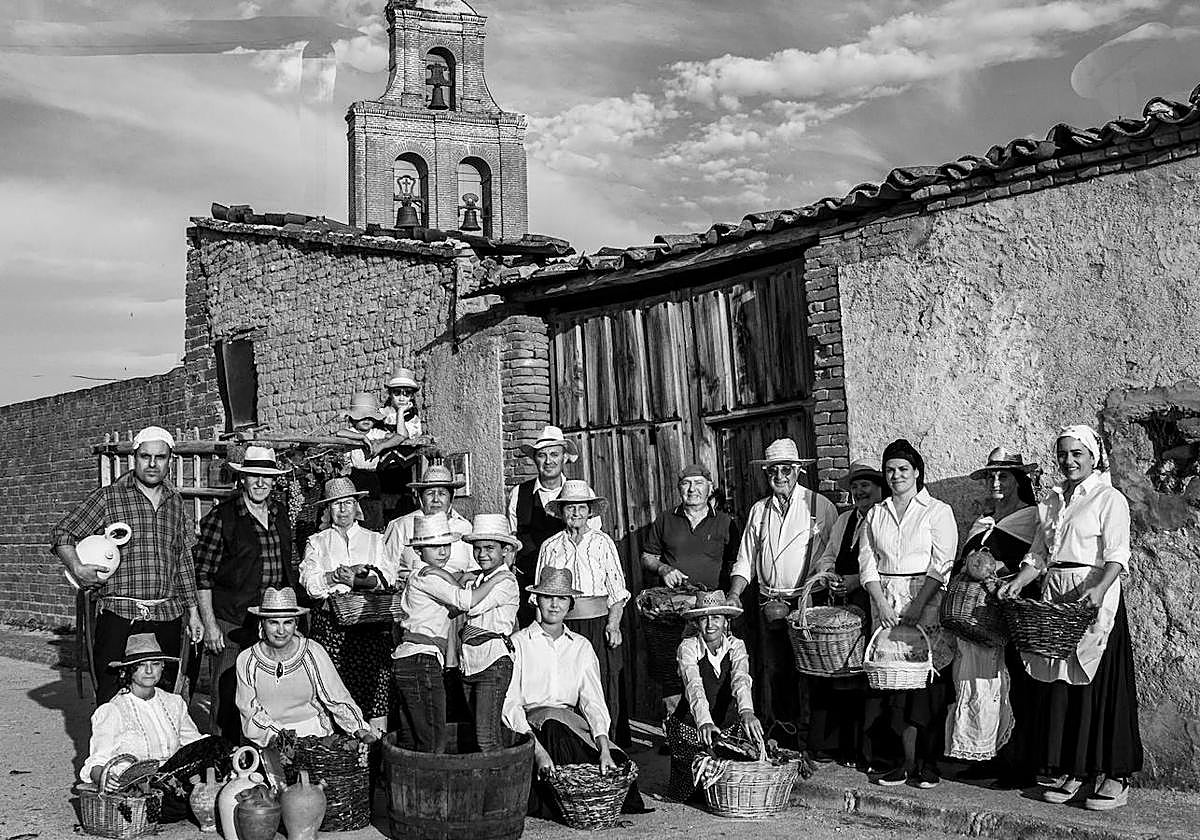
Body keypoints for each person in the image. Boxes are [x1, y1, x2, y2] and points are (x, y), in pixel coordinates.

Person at [998, 425, 1143, 810]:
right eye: (1063, 454)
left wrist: (1098, 589)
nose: (1069, 461)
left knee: (1099, 684)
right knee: (1063, 683)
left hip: (1093, 594)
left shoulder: (1109, 499)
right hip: (1056, 595)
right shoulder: (1052, 501)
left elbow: (1117, 554)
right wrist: (1019, 580)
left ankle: (1114, 773)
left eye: (1077, 453)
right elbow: (1040, 555)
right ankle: (1073, 769)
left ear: (1093, 456)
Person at [51, 425, 204, 704]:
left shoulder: (176, 503)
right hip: (120, 614)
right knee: (112, 696)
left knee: (163, 697)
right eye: (146, 456)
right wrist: (77, 567)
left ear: (170, 460)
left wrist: (193, 612)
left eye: (160, 457)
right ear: (135, 457)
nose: (153, 463)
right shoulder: (110, 497)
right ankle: (112, 749)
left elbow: (183, 558)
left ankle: (159, 748)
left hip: (167, 615)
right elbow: (63, 533)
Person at [502, 568, 648, 821]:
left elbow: (593, 702)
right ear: (537, 599)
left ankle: (587, 794)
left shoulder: (580, 646)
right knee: (553, 732)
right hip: (532, 729)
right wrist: (538, 752)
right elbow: (511, 703)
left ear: (570, 604)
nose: (554, 604)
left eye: (561, 598)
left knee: (617, 763)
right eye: (548, 597)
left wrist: (603, 747)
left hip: (568, 725)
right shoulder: (520, 642)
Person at [858, 439, 958, 789]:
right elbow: (867, 563)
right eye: (890, 470)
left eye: (903, 469)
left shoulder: (937, 511)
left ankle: (928, 764)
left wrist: (919, 604)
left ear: (916, 471)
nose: (896, 475)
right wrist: (881, 603)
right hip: (885, 602)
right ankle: (896, 762)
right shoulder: (876, 513)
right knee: (891, 684)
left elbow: (942, 562)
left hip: (924, 601)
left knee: (926, 683)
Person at [727, 437, 838, 747]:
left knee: (810, 670)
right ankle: (781, 733)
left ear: (798, 471)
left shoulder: (819, 506)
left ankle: (813, 738)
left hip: (806, 602)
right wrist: (735, 594)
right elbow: (745, 558)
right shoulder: (759, 511)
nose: (779, 477)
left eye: (786, 469)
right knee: (774, 669)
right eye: (773, 470)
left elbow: (832, 554)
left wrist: (821, 583)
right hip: (769, 603)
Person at [946, 448, 1040, 780]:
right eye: (991, 476)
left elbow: (1034, 563)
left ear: (1019, 480)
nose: (995, 481)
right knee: (981, 683)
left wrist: (1000, 571)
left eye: (1003, 475)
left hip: (1012, 613)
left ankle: (1020, 763)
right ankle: (985, 754)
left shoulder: (1031, 518)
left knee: (1015, 684)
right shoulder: (984, 521)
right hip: (978, 617)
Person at [193, 445, 297, 742]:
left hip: (273, 621)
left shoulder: (279, 515)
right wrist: (210, 624)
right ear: (243, 479)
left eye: (267, 477)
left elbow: (289, 565)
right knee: (227, 690)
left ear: (275, 481)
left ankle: (264, 756)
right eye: (254, 476)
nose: (260, 483)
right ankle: (225, 757)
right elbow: (203, 575)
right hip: (232, 620)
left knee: (271, 692)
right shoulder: (222, 517)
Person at [81, 634, 231, 822]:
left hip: (177, 779)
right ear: (127, 671)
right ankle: (196, 802)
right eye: (142, 665)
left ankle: (204, 797)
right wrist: (103, 776)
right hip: (143, 788)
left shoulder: (174, 702)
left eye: (155, 663)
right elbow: (97, 759)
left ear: (162, 666)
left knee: (218, 745)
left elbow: (195, 742)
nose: (150, 670)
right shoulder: (113, 710)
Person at [391, 513, 507, 753]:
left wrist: (465, 579)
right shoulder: (428, 577)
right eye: (434, 547)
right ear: (419, 551)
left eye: (445, 545)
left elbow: (452, 609)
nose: (442, 552)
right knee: (433, 740)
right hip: (420, 660)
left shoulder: (426, 577)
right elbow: (466, 602)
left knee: (413, 739)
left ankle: (412, 786)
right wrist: (497, 579)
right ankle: (429, 789)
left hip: (413, 658)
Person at [298, 477, 399, 737]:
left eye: (348, 503)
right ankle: (341, 757)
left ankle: (375, 753)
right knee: (332, 692)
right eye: (336, 505)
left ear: (357, 507)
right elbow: (311, 584)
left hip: (369, 627)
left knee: (374, 692)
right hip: (331, 628)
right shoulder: (317, 541)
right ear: (328, 509)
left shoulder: (374, 540)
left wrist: (355, 579)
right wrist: (334, 577)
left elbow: (386, 578)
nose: (342, 510)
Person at [533, 480, 630, 740]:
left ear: (590, 511)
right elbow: (540, 597)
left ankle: (607, 744)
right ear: (561, 512)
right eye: (569, 508)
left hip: (598, 623)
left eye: (581, 507)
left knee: (601, 681)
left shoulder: (603, 542)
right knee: (567, 682)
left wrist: (613, 624)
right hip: (563, 624)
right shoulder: (550, 546)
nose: (575, 513)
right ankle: (576, 743)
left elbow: (617, 591)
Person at [807, 459, 886, 766]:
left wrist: (858, 581)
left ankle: (863, 750)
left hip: (871, 601)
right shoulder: (845, 520)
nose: (859, 491)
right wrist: (829, 574)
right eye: (854, 486)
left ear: (879, 488)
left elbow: (886, 560)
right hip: (842, 605)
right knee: (837, 669)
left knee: (865, 673)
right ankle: (832, 745)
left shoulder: (884, 517)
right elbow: (828, 554)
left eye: (865, 485)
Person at [234, 587, 378, 748]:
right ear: (262, 624)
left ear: (296, 624)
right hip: (269, 739)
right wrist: (283, 738)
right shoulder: (247, 660)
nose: (281, 630)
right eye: (273, 622)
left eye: (287, 622)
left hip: (314, 738)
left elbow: (336, 698)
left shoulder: (312, 652)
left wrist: (359, 729)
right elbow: (250, 711)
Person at [665, 591, 764, 800]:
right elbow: (694, 685)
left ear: (726, 622)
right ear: (696, 623)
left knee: (735, 783)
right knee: (693, 792)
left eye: (716, 618)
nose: (710, 625)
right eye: (704, 618)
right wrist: (704, 722)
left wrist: (746, 710)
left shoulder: (736, 646)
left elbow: (741, 678)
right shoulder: (688, 647)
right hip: (691, 727)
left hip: (726, 728)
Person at [507, 425, 600, 626]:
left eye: (554, 454)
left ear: (565, 457)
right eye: (542, 455)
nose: (548, 461)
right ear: (535, 459)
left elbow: (594, 542)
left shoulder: (582, 494)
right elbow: (512, 542)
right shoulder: (518, 494)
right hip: (530, 588)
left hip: (573, 591)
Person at [459, 514, 522, 752]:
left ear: (505, 550)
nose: (482, 554)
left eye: (489, 548)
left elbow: (470, 605)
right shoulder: (479, 579)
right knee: (481, 732)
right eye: (477, 548)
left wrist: (462, 584)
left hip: (493, 661)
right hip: (471, 660)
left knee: (486, 737)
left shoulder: (506, 582)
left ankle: (500, 785)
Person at [641, 463, 741, 592]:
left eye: (699, 483)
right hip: (674, 600)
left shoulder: (725, 522)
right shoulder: (665, 519)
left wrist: (733, 595)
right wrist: (664, 569)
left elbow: (737, 564)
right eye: (686, 483)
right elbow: (648, 557)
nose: (692, 489)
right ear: (679, 489)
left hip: (713, 600)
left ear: (710, 489)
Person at [382, 463, 476, 581]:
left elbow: (474, 569)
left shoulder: (464, 527)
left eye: (442, 494)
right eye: (430, 494)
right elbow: (386, 569)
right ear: (421, 498)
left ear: (451, 498)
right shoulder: (402, 525)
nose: (436, 499)